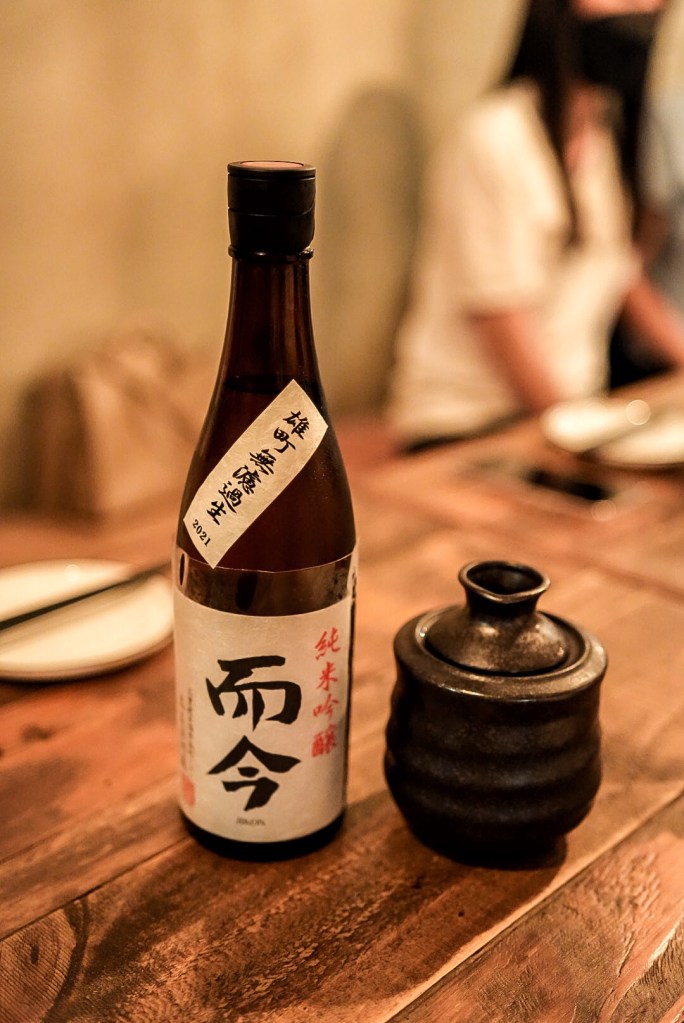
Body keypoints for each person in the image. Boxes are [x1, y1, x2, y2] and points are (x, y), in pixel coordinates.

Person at [387, 0, 684, 451]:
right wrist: (582, 433)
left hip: (572, 414)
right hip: (473, 425)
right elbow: (500, 317)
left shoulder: (604, 136)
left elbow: (618, 271)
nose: (642, 9)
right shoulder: (496, 138)